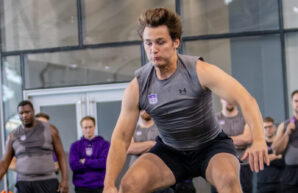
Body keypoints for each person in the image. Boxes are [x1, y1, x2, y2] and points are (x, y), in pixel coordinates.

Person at [103, 8, 269, 193]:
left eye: (160, 42)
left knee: (229, 180)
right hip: (170, 150)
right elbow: (121, 138)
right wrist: (109, 184)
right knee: (129, 184)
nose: (153, 49)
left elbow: (246, 100)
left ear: (176, 42)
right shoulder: (138, 86)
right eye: (148, 43)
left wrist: (259, 140)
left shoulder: (199, 70)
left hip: (211, 146)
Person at [0, 100, 68, 193]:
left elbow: (61, 155)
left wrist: (65, 180)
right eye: (21, 113)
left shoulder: (50, 130)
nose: (24, 115)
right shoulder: (13, 135)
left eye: (27, 112)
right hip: (24, 183)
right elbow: (4, 163)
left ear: (33, 111)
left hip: (47, 182)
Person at [127, 110, 174, 193]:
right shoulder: (132, 129)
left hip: (160, 176)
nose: (145, 111)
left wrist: (139, 147)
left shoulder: (161, 128)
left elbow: (165, 147)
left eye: (147, 108)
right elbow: (130, 148)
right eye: (142, 109)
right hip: (138, 177)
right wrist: (152, 143)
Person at [211, 98, 253, 193]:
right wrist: (238, 140)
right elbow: (212, 140)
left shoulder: (245, 118)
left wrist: (223, 139)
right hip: (220, 166)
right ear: (221, 99)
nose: (229, 100)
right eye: (226, 97)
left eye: (231, 97)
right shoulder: (214, 119)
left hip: (242, 166)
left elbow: (247, 138)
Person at [69, 116, 110, 193]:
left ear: (94, 127)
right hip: (81, 187)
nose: (88, 130)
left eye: (90, 127)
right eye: (85, 127)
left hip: (100, 186)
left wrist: (85, 161)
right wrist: (95, 163)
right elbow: (74, 166)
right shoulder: (75, 146)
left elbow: (104, 163)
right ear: (82, 128)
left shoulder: (105, 144)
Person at [272, 90, 298, 193]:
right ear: (292, 103)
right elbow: (276, 150)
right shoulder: (284, 126)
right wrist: (287, 133)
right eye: (296, 101)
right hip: (291, 177)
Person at [257, 117, 284, 193]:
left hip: (279, 184)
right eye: (265, 127)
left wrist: (266, 157)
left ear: (275, 128)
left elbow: (283, 161)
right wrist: (277, 156)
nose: (268, 129)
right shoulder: (258, 145)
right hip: (263, 184)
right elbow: (259, 160)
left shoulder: (281, 144)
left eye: (270, 127)